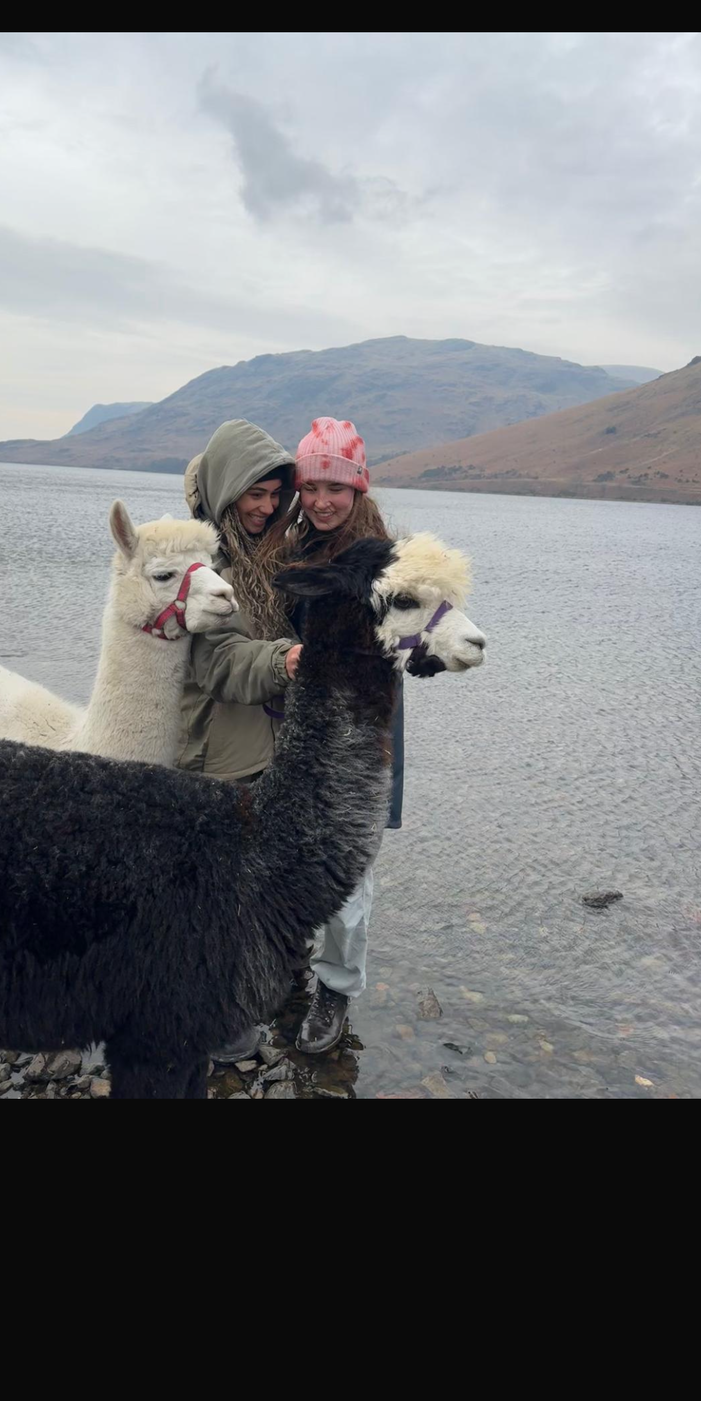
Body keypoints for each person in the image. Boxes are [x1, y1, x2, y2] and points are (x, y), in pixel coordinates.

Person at [263, 416, 404, 1055]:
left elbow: (427, 636)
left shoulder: (389, 564)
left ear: (359, 489)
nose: (323, 501)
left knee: (348, 875)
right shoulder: (287, 549)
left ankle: (336, 988)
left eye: (336, 489)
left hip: (362, 735)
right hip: (296, 731)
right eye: (312, 487)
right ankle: (286, 961)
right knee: (284, 852)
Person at [179, 417, 300, 1062]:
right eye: (256, 493)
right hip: (212, 753)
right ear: (228, 489)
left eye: (276, 495)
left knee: (245, 880)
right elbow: (219, 662)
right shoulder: (200, 569)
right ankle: (211, 1015)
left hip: (260, 747)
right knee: (212, 890)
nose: (267, 507)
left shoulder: (266, 557)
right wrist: (286, 660)